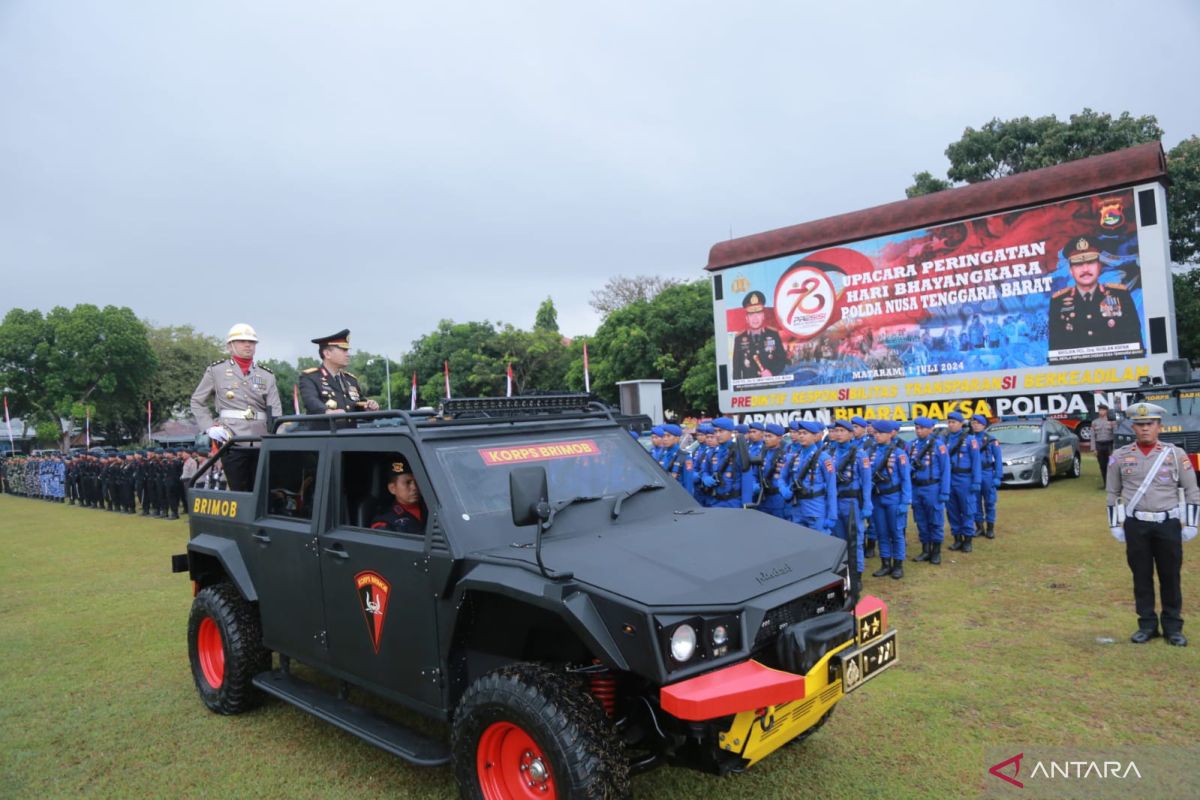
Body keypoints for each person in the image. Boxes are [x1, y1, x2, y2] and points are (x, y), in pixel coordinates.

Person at [1106, 402, 1198, 647]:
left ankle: (1173, 627)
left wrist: (1192, 524)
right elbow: (1112, 492)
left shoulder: (1175, 454)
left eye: (1150, 424)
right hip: (1137, 526)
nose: (1145, 429)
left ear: (1159, 426)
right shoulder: (1120, 456)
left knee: (1170, 577)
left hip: (1167, 524)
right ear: (1133, 427)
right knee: (1141, 576)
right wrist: (1115, 524)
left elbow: (1192, 490)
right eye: (1140, 424)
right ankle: (1146, 625)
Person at [190, 323, 283, 491]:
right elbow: (197, 401)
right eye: (241, 341)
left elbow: (275, 410)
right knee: (239, 489)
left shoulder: (266, 375)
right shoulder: (216, 371)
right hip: (231, 439)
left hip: (261, 438)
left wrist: (275, 436)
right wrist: (209, 427)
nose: (248, 345)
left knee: (262, 490)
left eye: (252, 342)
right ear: (230, 346)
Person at [1049, 236, 1144, 360]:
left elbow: (1134, 343)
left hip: (1116, 374)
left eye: (1091, 262)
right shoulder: (1058, 301)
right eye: (1078, 264)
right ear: (1071, 270)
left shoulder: (1119, 295)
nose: (1085, 269)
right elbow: (1055, 351)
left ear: (1100, 266)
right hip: (1075, 376)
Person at [299, 329, 382, 415]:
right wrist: (327, 412)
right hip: (326, 428)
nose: (348, 354)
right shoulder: (310, 377)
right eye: (343, 350)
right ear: (327, 354)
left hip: (351, 428)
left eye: (347, 350)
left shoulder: (350, 380)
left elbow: (357, 405)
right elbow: (311, 401)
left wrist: (368, 407)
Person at [868, 420, 911, 579]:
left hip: (894, 497)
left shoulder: (899, 453)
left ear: (889, 434)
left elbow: (906, 479)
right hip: (877, 498)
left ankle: (898, 565)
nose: (877, 436)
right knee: (882, 532)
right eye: (876, 433)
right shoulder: (871, 452)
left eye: (880, 433)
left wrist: (905, 502)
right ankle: (885, 564)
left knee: (896, 532)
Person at [910, 417, 950, 565]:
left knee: (935, 520)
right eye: (917, 428)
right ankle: (925, 550)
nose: (919, 431)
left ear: (930, 429)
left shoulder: (939, 445)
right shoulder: (912, 445)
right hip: (916, 488)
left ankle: (936, 551)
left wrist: (944, 491)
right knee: (920, 520)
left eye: (922, 428)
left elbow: (946, 469)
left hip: (933, 487)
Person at [944, 412, 981, 553]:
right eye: (949, 422)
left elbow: (976, 461)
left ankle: (967, 540)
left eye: (954, 422)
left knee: (967, 510)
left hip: (965, 479)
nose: (951, 424)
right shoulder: (945, 439)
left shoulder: (970, 439)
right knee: (952, 510)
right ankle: (957, 539)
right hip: (950, 479)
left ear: (960, 424)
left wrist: (976, 481)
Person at [732, 291, 786, 381]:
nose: (755, 318)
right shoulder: (739, 339)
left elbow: (782, 360)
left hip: (771, 389)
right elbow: (736, 370)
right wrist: (738, 392)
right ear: (747, 318)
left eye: (758, 313)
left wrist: (772, 372)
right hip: (749, 390)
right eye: (751, 314)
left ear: (763, 316)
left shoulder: (773, 334)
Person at [371, 457, 426, 534]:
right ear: (392, 488)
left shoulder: (430, 509)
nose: (414, 487)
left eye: (417, 482)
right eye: (408, 482)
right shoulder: (385, 520)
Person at [970, 414, 1003, 539]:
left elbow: (998, 459)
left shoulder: (991, 440)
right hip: (973, 474)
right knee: (975, 502)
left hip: (987, 473)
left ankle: (990, 528)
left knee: (989, 501)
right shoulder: (969, 439)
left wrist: (997, 476)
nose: (976, 425)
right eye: (973, 423)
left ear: (984, 425)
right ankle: (979, 528)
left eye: (978, 423)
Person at [1091, 405, 1117, 489]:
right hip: (1099, 445)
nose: (1101, 412)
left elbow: (1115, 434)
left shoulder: (1112, 422)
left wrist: (1114, 448)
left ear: (1106, 411)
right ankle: (1106, 484)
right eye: (1100, 410)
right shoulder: (1095, 422)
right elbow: (1092, 436)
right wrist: (1094, 448)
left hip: (1109, 444)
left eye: (1103, 410)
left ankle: (1113, 484)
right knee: (1102, 465)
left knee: (1112, 465)